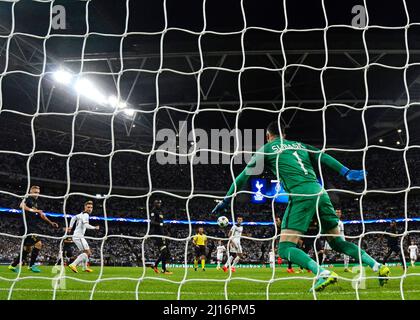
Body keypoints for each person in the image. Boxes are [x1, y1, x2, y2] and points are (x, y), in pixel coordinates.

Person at [213, 121, 389, 291]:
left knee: (284, 248)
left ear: (268, 136)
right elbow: (323, 155)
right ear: (285, 134)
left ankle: (323, 272)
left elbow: (244, 176)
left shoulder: (267, 149)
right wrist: (346, 172)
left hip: (301, 195)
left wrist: (226, 200)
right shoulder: (299, 144)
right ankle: (377, 266)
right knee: (337, 243)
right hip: (321, 193)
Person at [9, 185, 59, 273]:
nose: (37, 194)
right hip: (27, 226)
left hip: (31, 226)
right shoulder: (27, 198)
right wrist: (34, 211)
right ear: (30, 192)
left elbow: (41, 215)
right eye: (35, 192)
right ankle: (31, 265)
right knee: (38, 244)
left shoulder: (35, 203)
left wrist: (50, 222)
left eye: (38, 193)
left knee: (27, 249)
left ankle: (12, 265)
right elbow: (21, 206)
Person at [67, 201, 99, 273]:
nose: (90, 209)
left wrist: (70, 227)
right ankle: (73, 264)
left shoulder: (81, 214)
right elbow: (86, 225)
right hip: (79, 237)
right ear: (85, 207)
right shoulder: (86, 215)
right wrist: (95, 227)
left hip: (79, 236)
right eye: (88, 207)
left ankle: (85, 267)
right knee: (87, 253)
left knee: (88, 253)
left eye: (91, 207)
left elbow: (73, 218)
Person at [149, 200, 172, 275]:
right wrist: (161, 224)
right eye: (158, 203)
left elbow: (161, 223)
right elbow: (152, 222)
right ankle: (162, 269)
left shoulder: (160, 212)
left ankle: (157, 266)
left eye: (160, 203)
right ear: (155, 204)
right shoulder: (153, 211)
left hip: (162, 234)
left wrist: (165, 228)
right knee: (164, 252)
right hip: (157, 234)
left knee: (165, 252)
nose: (159, 204)